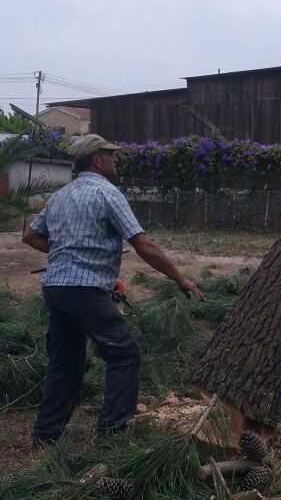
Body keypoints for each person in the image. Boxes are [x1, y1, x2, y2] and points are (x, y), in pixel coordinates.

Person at [22, 134, 204, 445]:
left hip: (56, 289)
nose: (115, 161)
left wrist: (68, 250)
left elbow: (30, 236)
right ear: (97, 160)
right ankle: (111, 436)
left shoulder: (61, 195)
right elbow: (143, 245)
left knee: (65, 362)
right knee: (125, 354)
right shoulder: (108, 194)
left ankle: (46, 435)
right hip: (85, 289)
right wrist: (180, 278)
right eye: (111, 156)